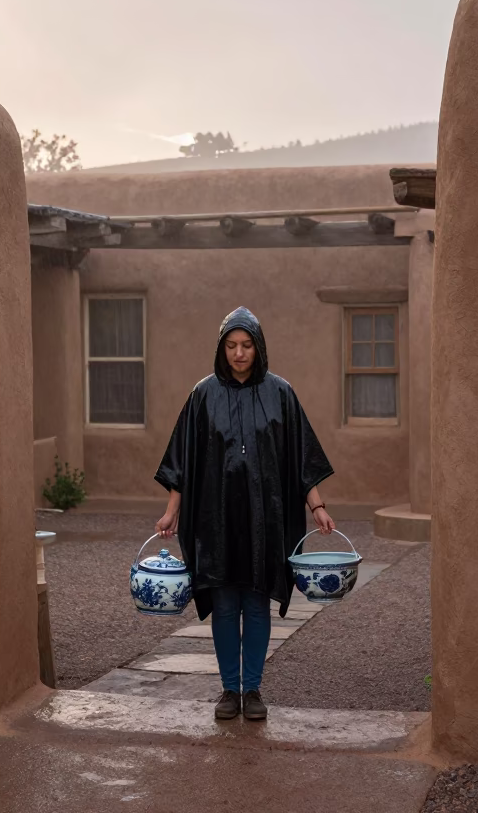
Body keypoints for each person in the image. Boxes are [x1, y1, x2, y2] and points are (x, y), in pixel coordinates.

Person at [153, 306, 336, 722]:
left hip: (263, 519)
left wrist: (318, 506)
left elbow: (299, 459)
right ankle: (228, 689)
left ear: (259, 348)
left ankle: (252, 689)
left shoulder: (280, 394)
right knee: (224, 604)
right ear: (222, 349)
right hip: (214, 519)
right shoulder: (203, 395)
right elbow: (183, 459)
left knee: (255, 604)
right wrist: (171, 513)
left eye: (247, 345)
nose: (239, 353)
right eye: (232, 346)